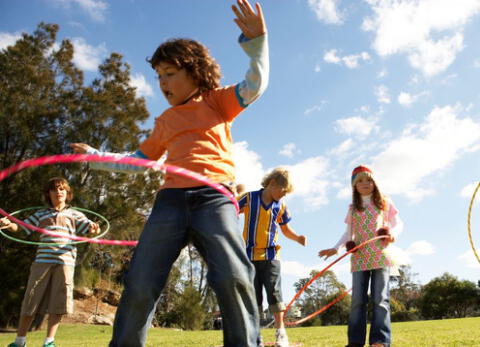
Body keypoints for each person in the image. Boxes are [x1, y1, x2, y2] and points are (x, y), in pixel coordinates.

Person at [69, 1, 268, 345]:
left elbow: (255, 84)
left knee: (233, 275)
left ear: (195, 71)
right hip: (170, 202)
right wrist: (94, 157)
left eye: (170, 74)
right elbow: (136, 160)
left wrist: (258, 45)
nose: (162, 83)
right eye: (158, 76)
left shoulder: (216, 101)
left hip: (213, 197)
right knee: (142, 280)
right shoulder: (164, 121)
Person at [1, 177, 100, 347]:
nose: (59, 192)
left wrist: (94, 229)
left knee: (59, 301)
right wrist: (8, 224)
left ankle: (49, 342)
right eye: (54, 189)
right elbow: (22, 228)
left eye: (62, 189)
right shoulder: (41, 213)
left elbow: (90, 229)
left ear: (67, 193)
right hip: (42, 261)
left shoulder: (75, 214)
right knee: (31, 298)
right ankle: (19, 341)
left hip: (65, 263)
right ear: (49, 194)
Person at [318, 165, 399, 347]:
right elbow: (348, 233)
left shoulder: (384, 202)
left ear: (374, 182)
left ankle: (380, 341)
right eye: (360, 180)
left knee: (380, 299)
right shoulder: (353, 208)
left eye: (368, 179)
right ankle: (355, 341)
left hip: (380, 254)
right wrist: (336, 248)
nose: (365, 183)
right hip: (360, 257)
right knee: (358, 301)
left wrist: (392, 233)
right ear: (354, 185)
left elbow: (398, 223)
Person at [238, 168, 306, 347]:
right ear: (273, 183)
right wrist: (233, 194)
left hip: (271, 254)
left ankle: (281, 333)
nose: (283, 196)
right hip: (249, 255)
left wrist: (297, 237)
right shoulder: (249, 198)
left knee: (275, 293)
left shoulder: (281, 206)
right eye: (283, 192)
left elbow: (284, 229)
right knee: (253, 295)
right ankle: (254, 335)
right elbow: (230, 209)